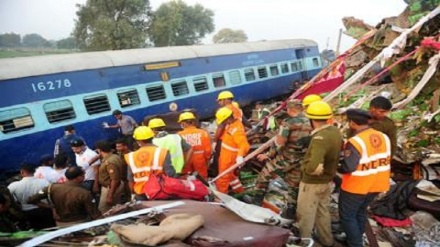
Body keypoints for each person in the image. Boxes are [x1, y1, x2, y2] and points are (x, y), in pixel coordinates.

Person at [338, 109, 391, 247]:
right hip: (377, 184)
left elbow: (348, 167)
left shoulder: (355, 142)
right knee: (360, 212)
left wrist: (336, 166)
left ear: (352, 123)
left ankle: (355, 243)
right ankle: (357, 237)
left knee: (348, 216)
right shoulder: (383, 137)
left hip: (356, 186)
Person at [296, 101, 343, 247]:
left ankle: (305, 241)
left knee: (305, 214)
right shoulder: (335, 131)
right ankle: (327, 240)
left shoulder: (319, 139)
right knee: (323, 211)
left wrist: (306, 169)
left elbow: (315, 166)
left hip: (312, 183)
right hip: (327, 181)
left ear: (311, 120)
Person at [252, 100, 311, 214]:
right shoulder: (311, 122)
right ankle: (290, 211)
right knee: (294, 185)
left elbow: (280, 142)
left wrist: (268, 155)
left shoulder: (288, 123)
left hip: (286, 158)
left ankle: (256, 201)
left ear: (290, 109)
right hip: (302, 159)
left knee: (264, 176)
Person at [28, 166, 101, 227]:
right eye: (83, 175)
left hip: (60, 224)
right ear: (79, 178)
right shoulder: (84, 193)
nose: (84, 177)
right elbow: (94, 214)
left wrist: (51, 207)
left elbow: (31, 200)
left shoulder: (51, 188)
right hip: (80, 224)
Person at [124, 126, 176, 198]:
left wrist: (133, 194)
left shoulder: (131, 156)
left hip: (141, 193)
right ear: (153, 137)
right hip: (161, 191)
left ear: (137, 140)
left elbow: (130, 179)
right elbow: (170, 174)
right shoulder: (162, 152)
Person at [8, 163, 55, 230]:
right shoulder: (44, 182)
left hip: (26, 214)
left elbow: (5, 196)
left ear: (22, 172)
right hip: (44, 212)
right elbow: (51, 195)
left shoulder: (14, 185)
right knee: (48, 232)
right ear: (34, 171)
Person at [215, 107, 250, 194]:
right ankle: (239, 191)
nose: (222, 123)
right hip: (226, 154)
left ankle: (221, 195)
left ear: (227, 119)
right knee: (230, 175)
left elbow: (244, 144)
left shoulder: (236, 129)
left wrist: (240, 156)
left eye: (223, 121)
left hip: (230, 157)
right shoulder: (232, 124)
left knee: (223, 177)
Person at [95, 140, 127, 213]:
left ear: (99, 150)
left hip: (110, 188)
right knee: (114, 209)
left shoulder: (109, 162)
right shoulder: (115, 156)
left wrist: (110, 195)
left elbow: (114, 179)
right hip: (114, 186)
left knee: (103, 210)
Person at [177, 112, 212, 179]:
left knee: (188, 180)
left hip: (186, 161)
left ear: (183, 123)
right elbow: (208, 150)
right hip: (200, 160)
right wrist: (208, 160)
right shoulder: (203, 133)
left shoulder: (178, 135)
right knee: (202, 179)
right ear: (193, 122)